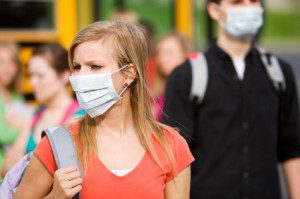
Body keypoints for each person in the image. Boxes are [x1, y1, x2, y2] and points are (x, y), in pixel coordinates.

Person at [14, 20, 194, 199]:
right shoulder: (58, 144)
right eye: (77, 67)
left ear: (129, 74)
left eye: (95, 66)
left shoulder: (171, 146)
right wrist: (54, 197)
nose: (81, 76)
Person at [162, 0, 300, 198]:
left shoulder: (279, 73)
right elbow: (172, 157)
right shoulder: (186, 76)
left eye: (253, 2)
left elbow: (292, 149)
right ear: (214, 10)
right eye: (236, 2)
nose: (247, 8)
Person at [1, 43, 84, 177]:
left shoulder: (79, 116)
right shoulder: (36, 114)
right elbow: (6, 167)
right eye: (31, 75)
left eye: (40, 76)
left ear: (64, 76)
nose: (33, 82)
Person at [0, 42, 28, 175]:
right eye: (1, 62)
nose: (7, 68)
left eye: (12, 62)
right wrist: (23, 127)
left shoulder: (17, 99)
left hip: (12, 175)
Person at [152, 32, 188, 121]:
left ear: (184, 53)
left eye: (169, 52)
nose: (162, 59)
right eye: (158, 53)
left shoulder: (192, 89)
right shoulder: (158, 91)